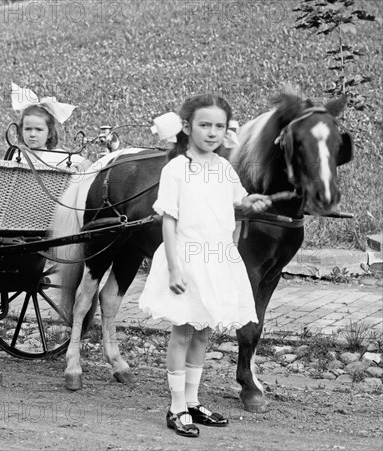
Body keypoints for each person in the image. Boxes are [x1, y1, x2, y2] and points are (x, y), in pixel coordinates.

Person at [139, 94, 272, 438]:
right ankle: (176, 406)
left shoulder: (224, 167)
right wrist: (173, 268)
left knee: (204, 330)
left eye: (219, 126)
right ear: (187, 127)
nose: (212, 132)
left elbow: (235, 203)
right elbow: (168, 221)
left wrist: (248, 202)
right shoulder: (176, 170)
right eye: (204, 125)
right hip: (187, 259)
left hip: (218, 259)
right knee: (183, 331)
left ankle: (194, 401)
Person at [10, 83, 86, 169]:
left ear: (49, 133)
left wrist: (77, 169)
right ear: (21, 130)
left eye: (39, 129)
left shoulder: (58, 157)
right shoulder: (15, 158)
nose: (32, 134)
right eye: (27, 129)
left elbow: (88, 165)